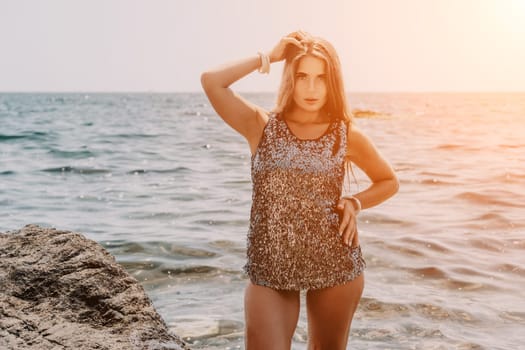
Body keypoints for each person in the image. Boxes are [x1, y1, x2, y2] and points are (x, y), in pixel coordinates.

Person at [201, 30, 399, 350]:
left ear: (332, 82)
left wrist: (354, 202)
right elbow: (211, 81)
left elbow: (389, 181)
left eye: (320, 78)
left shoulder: (345, 134)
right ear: (290, 78)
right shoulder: (262, 126)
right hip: (270, 266)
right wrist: (269, 56)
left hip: (335, 264)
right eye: (302, 76)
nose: (310, 88)